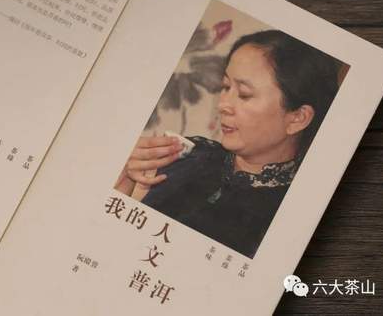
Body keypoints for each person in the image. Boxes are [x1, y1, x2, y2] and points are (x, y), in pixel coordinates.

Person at [114, 30, 341, 258]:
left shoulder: (294, 218)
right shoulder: (187, 154)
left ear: (297, 118)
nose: (223, 104)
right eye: (225, 86)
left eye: (244, 94)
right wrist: (124, 186)